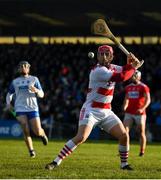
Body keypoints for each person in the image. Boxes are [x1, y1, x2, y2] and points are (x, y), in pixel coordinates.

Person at [45, 45, 143, 170]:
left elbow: (124, 70)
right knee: (81, 137)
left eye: (107, 54)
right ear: (97, 56)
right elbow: (122, 77)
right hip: (91, 110)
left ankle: (124, 164)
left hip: (107, 111)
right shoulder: (98, 71)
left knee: (124, 136)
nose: (104, 56)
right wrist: (133, 67)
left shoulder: (114, 67)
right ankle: (55, 162)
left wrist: (130, 63)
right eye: (101, 54)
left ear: (112, 56)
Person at [6, 61, 48, 158]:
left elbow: (42, 94)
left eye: (25, 66)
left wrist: (36, 90)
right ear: (19, 69)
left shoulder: (34, 79)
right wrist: (8, 104)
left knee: (37, 131)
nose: (24, 68)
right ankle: (31, 151)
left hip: (33, 109)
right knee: (25, 127)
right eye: (22, 66)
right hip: (20, 108)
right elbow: (9, 94)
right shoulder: (15, 82)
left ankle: (42, 135)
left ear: (28, 68)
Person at [122, 70, 151, 156]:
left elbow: (148, 100)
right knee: (125, 131)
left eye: (135, 75)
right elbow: (126, 98)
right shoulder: (128, 87)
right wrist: (125, 106)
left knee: (141, 132)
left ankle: (142, 151)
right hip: (129, 112)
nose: (133, 77)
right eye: (132, 75)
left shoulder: (144, 87)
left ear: (139, 77)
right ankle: (124, 150)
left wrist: (142, 108)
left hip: (140, 113)